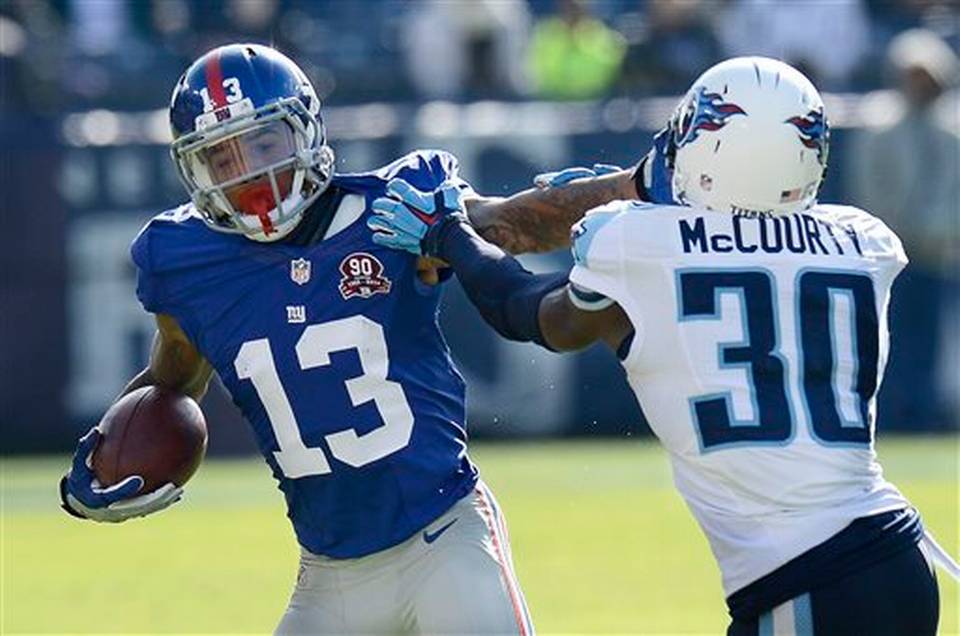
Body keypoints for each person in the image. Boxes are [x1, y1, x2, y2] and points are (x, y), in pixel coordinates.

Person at [56, 43, 642, 634]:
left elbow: (515, 219)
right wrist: (107, 455)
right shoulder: (183, 260)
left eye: (263, 143)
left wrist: (638, 187)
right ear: (193, 171)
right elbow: (174, 376)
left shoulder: (391, 207)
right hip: (330, 576)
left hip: (445, 536)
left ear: (305, 129)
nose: (251, 175)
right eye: (222, 159)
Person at [368, 57, 947, 635]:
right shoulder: (865, 241)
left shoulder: (637, 240)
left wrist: (450, 236)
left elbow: (530, 315)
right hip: (888, 552)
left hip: (809, 581)